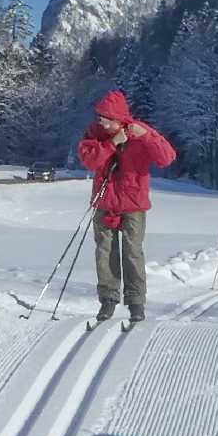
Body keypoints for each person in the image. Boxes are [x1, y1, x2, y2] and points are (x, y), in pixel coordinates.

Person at [77, 90, 177, 324]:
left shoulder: (139, 132)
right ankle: (108, 299)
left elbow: (167, 157)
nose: (101, 122)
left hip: (134, 204)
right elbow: (89, 160)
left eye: (106, 119)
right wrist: (112, 143)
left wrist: (147, 137)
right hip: (104, 202)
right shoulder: (95, 134)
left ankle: (136, 302)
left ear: (119, 119)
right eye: (100, 117)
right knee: (104, 252)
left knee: (132, 252)